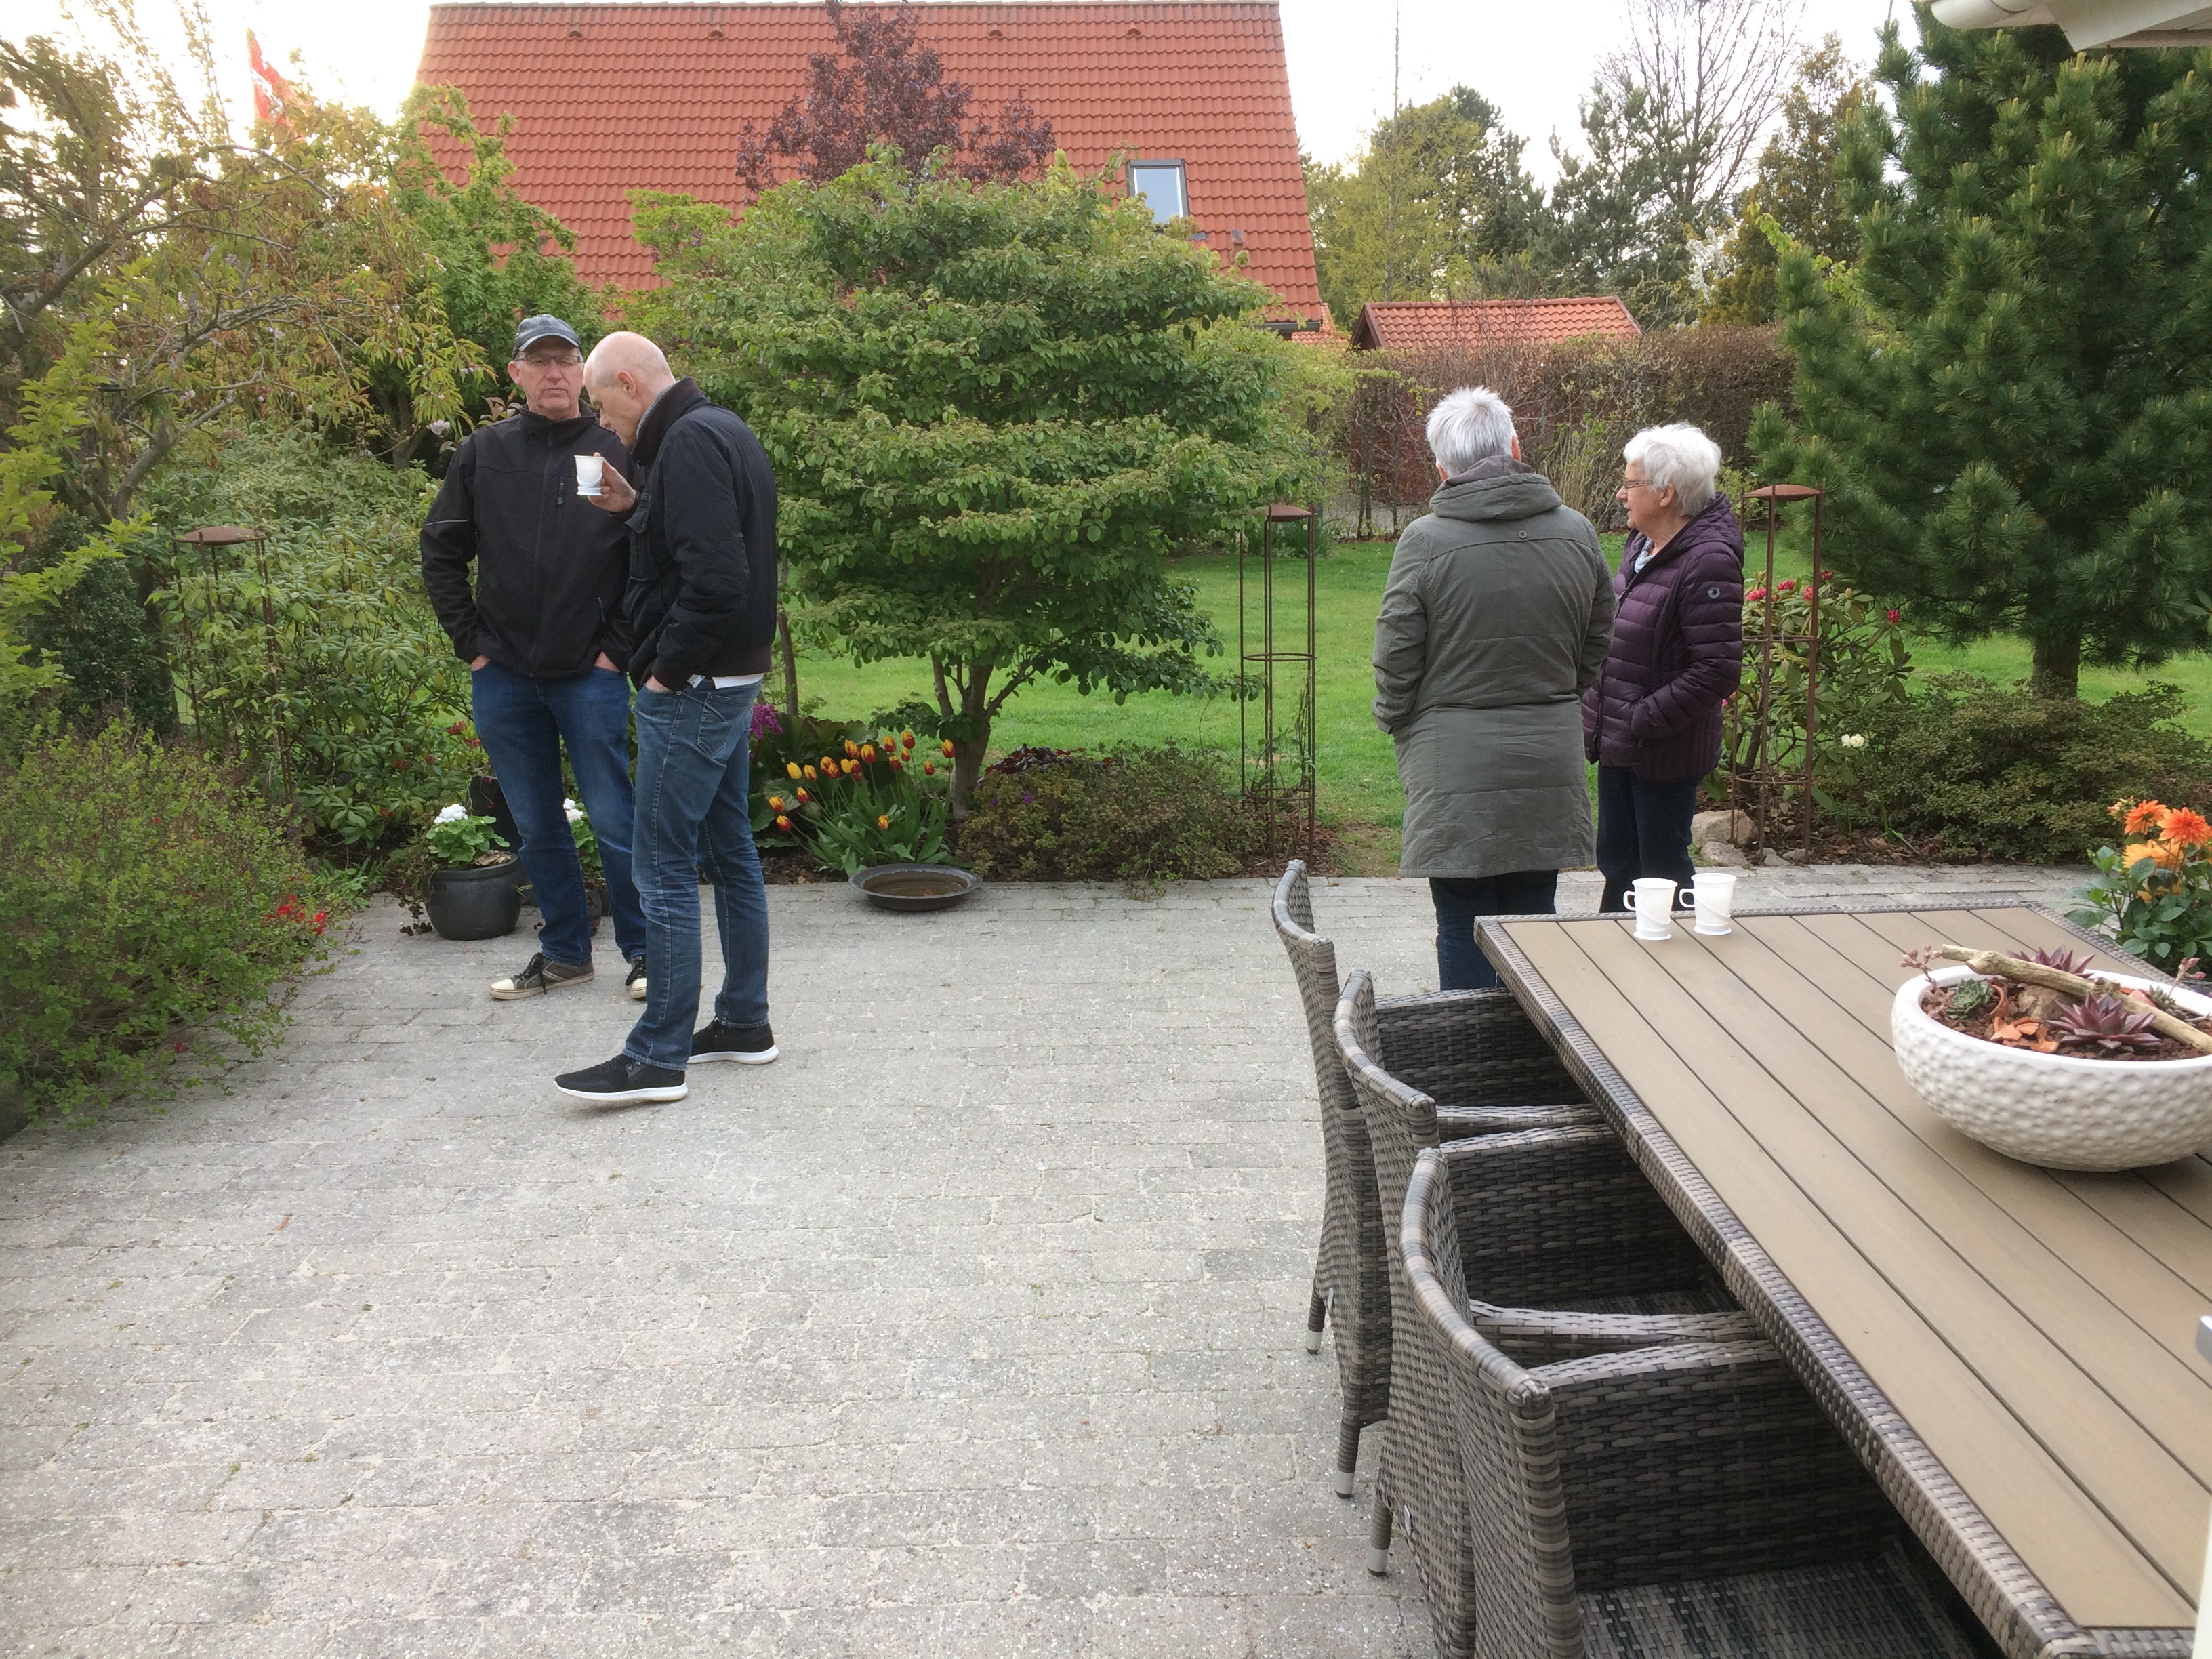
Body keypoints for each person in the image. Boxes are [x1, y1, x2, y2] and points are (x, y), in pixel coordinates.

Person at [553, 332, 782, 1105]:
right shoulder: (721, 428)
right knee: (730, 847)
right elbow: (704, 545)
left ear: (627, 382)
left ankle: (657, 1055)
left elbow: (717, 578)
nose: (602, 422)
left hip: (697, 684)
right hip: (733, 673)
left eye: (601, 403)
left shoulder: (685, 442)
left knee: (661, 863)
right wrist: (636, 507)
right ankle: (744, 1022)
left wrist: (663, 674)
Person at [420, 314, 650, 1002]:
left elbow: (648, 555)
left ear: (583, 372)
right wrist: (472, 645)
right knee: (536, 823)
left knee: (614, 817)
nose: (554, 373)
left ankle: (645, 953)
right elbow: (441, 550)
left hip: (590, 675)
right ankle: (565, 954)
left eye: (566, 360)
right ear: (516, 373)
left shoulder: (614, 450)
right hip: (505, 677)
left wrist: (617, 651)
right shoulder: (484, 454)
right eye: (540, 362)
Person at [1373, 386, 1616, 991]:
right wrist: (1556, 691)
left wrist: (1395, 717)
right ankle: (1531, 1042)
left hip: (1452, 760)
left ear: (1441, 468)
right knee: (1533, 920)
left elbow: (1397, 653)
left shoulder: (1424, 541)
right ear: (1515, 446)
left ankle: (1470, 1046)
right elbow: (1598, 637)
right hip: (1547, 752)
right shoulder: (1578, 532)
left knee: (1463, 921)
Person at [1584, 422, 1744, 913]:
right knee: (1618, 865)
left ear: (1666, 493)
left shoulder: (1708, 561)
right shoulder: (1643, 545)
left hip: (1660, 750)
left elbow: (1717, 669)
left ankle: (1683, 956)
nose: (1621, 494)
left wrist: (1641, 718)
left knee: (1661, 874)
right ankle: (1617, 952)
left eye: (1630, 483)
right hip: (1621, 743)